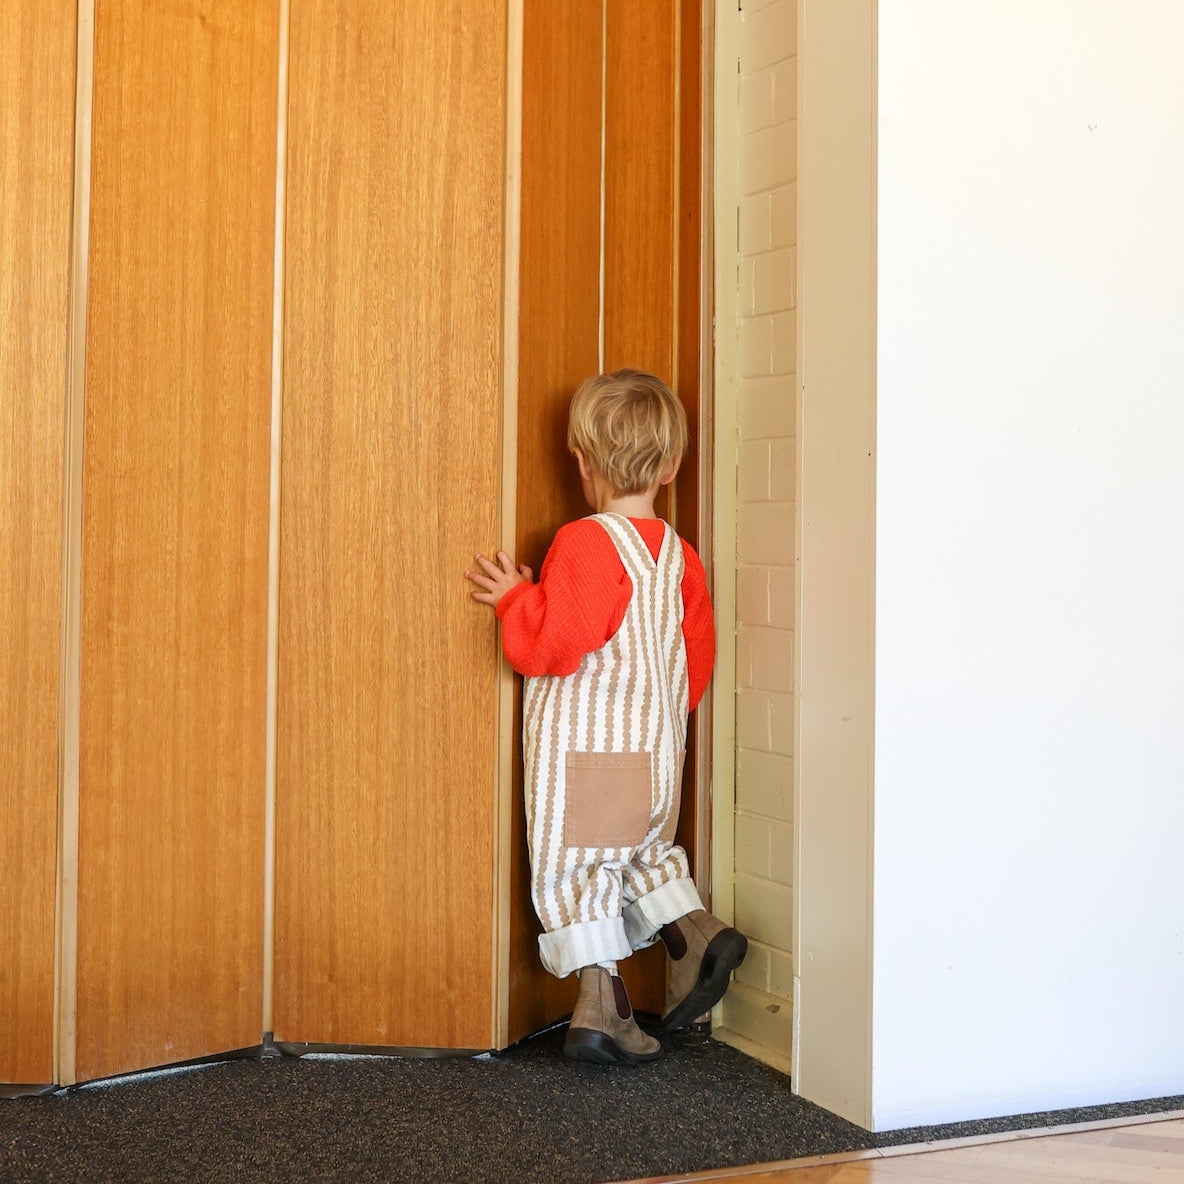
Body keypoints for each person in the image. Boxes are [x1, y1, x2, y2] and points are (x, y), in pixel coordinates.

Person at [465, 368, 747, 1065]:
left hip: (590, 755)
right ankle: (696, 929)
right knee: (640, 853)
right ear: (673, 466)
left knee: (580, 872)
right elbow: (697, 661)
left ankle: (602, 1011)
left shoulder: (588, 542)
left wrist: (514, 602)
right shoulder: (680, 558)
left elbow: (553, 643)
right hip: (657, 756)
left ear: (584, 464)